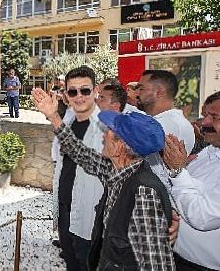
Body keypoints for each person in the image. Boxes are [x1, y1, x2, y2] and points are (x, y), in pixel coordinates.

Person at [32, 88, 175, 270]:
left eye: (109, 131)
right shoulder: (116, 171)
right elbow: (79, 152)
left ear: (120, 146)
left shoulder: (143, 191)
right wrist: (53, 116)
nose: (104, 134)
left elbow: (157, 264)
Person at [162, 88, 220, 271]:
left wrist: (179, 171)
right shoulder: (213, 148)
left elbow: (202, 216)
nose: (204, 123)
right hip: (179, 259)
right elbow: (183, 193)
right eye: (205, 115)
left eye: (215, 117)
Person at [50, 66, 105, 271]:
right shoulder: (69, 117)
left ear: (96, 90)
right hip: (65, 207)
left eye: (85, 90)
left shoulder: (105, 127)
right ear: (66, 94)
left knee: (87, 264)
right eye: (73, 91)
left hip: (89, 214)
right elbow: (59, 156)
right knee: (71, 263)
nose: (79, 96)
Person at [137, 70, 195, 187]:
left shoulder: (168, 123)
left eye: (142, 88)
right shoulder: (165, 121)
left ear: (159, 92)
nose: (137, 93)